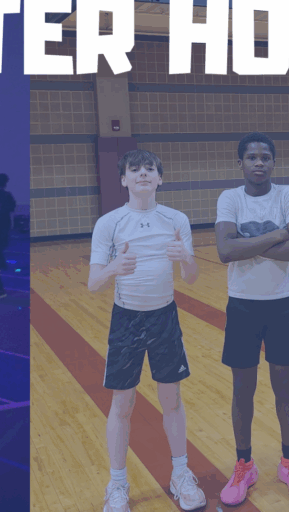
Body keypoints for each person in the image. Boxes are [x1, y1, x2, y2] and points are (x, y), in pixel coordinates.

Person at [88, 149, 204, 512]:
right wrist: (113, 268)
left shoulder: (176, 220)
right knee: (122, 404)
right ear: (123, 179)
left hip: (164, 317)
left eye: (149, 169)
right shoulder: (109, 223)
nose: (142, 174)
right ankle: (117, 484)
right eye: (134, 169)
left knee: (172, 399)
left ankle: (181, 475)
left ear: (159, 178)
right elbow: (93, 284)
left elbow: (191, 277)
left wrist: (185, 258)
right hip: (127, 320)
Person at [214, 132, 289, 505]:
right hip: (242, 305)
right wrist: (280, 234)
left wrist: (248, 244)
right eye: (252, 157)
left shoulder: (288, 195)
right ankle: (245, 465)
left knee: (284, 387)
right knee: (243, 389)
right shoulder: (230, 198)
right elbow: (225, 251)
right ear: (240, 163)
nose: (259, 163)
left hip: (283, 303)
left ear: (273, 162)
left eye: (266, 157)